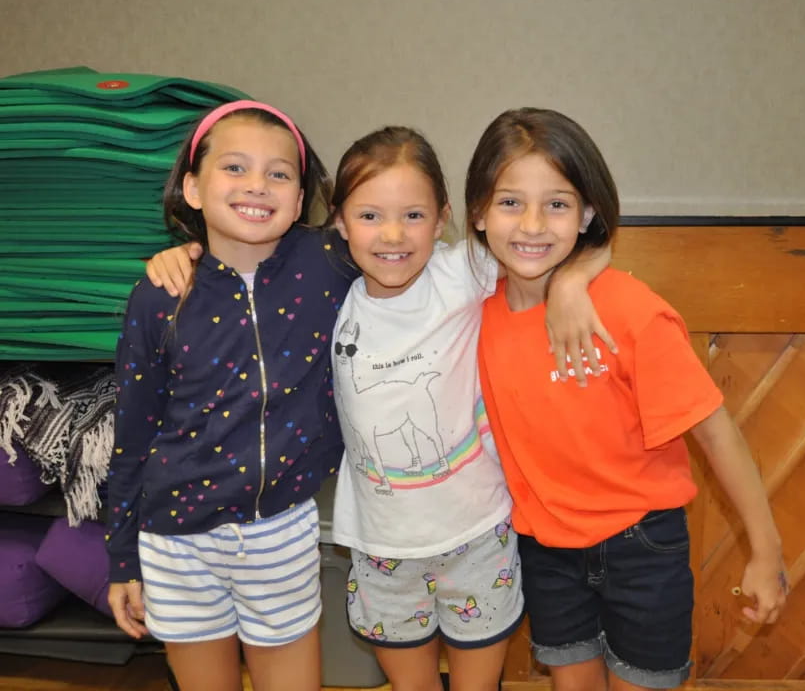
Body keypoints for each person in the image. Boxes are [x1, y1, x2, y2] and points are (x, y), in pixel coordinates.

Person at [144, 124, 612, 691]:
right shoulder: (324, 287)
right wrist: (186, 252)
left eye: (414, 216)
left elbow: (568, 241)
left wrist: (571, 285)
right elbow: (245, 260)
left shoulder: (464, 270)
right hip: (380, 549)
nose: (393, 235)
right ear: (339, 222)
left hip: (479, 536)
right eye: (369, 217)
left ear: (443, 218)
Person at [466, 108, 789, 691]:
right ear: (478, 212)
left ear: (587, 212)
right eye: (510, 202)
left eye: (557, 204)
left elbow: (717, 433)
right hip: (545, 548)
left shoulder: (629, 310)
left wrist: (766, 551)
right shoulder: (473, 315)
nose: (532, 224)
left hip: (644, 547)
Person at [106, 100, 356, 691]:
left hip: (281, 530)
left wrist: (577, 275)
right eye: (235, 168)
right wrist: (122, 558)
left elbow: (424, 249)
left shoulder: (329, 264)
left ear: (300, 200)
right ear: (193, 188)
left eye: (279, 173)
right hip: (175, 541)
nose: (257, 186)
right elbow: (132, 435)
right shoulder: (161, 292)